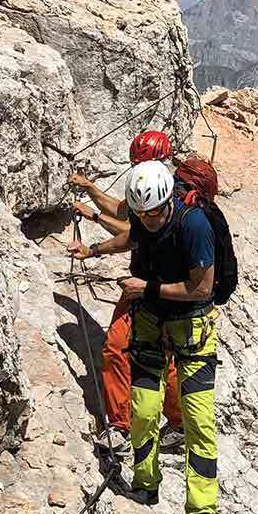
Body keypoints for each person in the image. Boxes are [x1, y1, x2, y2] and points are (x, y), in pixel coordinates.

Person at [68, 160, 220, 514]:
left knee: (199, 421)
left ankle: (202, 512)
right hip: (151, 327)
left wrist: (146, 289)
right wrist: (93, 250)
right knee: (143, 409)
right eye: (143, 214)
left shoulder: (195, 226)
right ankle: (146, 484)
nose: (150, 221)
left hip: (192, 330)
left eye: (155, 213)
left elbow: (202, 289)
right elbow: (131, 237)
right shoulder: (144, 217)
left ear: (168, 201)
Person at [68, 131, 183, 461]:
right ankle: (147, 425)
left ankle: (140, 425)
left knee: (135, 352)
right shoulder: (155, 189)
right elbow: (123, 211)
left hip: (155, 289)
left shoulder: (164, 200)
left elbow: (130, 235)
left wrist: (92, 235)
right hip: (156, 288)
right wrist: (91, 191)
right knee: (140, 353)